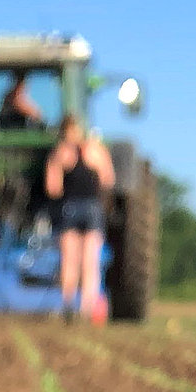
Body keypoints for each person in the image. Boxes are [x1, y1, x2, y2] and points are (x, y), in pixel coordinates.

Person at [45, 116, 115, 322]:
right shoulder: (96, 150)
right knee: (90, 261)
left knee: (69, 259)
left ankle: (68, 304)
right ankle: (87, 308)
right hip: (93, 207)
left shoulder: (60, 153)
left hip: (70, 207)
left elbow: (53, 188)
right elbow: (108, 179)